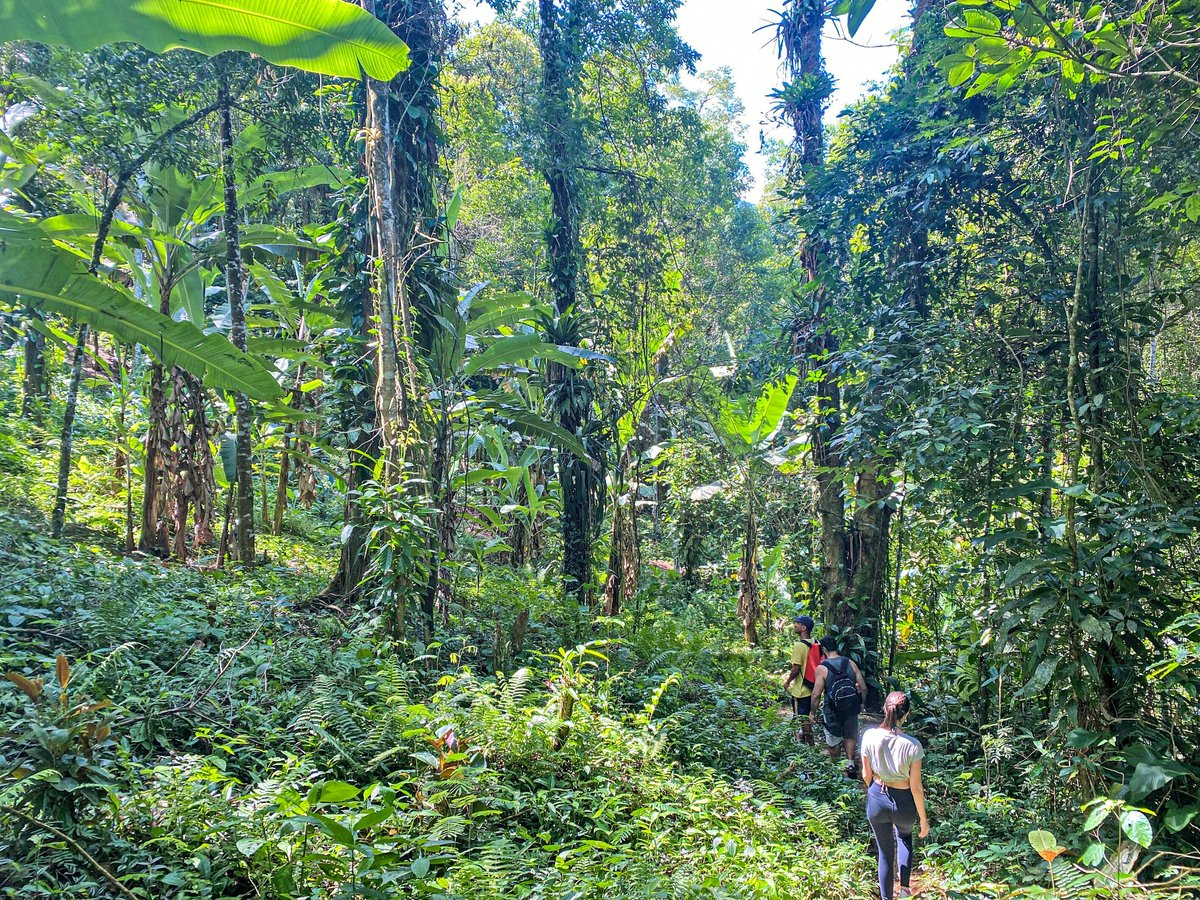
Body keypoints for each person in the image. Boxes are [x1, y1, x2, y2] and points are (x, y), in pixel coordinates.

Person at [860, 691, 930, 900]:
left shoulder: (869, 736)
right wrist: (923, 819)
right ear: (906, 714)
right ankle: (905, 889)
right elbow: (916, 786)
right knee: (905, 837)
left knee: (884, 853)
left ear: (884, 709)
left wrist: (876, 790)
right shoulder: (912, 745)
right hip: (903, 800)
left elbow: (865, 775)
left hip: (877, 796)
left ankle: (886, 898)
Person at [809, 636, 866, 776]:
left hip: (831, 709)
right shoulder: (850, 663)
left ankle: (837, 768)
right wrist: (861, 703)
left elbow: (816, 694)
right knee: (850, 734)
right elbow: (863, 687)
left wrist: (812, 712)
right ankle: (851, 764)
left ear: (823, 649)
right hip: (851, 707)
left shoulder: (822, 668)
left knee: (833, 737)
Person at [781, 615, 822, 743]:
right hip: (814, 687)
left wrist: (787, 682)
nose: (795, 625)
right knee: (808, 716)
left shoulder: (799, 645)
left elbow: (796, 668)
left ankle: (810, 744)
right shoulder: (816, 642)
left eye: (797, 623)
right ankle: (807, 741)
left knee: (802, 718)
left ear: (804, 627)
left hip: (801, 690)